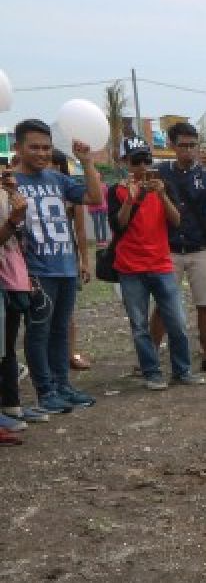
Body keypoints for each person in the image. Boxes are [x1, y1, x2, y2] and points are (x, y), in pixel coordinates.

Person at [13, 120, 104, 414]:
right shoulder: (11, 182)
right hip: (36, 270)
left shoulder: (57, 179)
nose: (41, 153)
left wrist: (87, 161)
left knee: (61, 330)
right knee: (38, 331)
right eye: (34, 147)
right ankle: (45, 391)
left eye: (46, 147)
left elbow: (94, 198)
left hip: (64, 266)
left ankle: (63, 385)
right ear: (19, 148)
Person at [108, 138, 204, 390]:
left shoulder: (164, 186)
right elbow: (118, 225)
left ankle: (182, 371)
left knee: (177, 322)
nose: (142, 167)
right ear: (124, 162)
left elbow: (176, 221)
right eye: (135, 161)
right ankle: (152, 373)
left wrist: (161, 195)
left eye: (146, 161)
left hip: (161, 264)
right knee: (139, 325)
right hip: (130, 267)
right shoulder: (116, 190)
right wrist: (131, 199)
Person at [151, 121, 206, 374]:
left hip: (200, 246)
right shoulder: (160, 172)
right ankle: (150, 357)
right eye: (182, 145)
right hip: (169, 247)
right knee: (163, 305)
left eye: (192, 145)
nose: (188, 150)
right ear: (172, 146)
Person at [0, 165, 37, 441]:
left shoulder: (10, 196)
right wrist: (13, 220)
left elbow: (24, 238)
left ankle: (11, 408)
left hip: (11, 279)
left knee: (6, 348)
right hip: (8, 278)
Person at [49, 150, 93, 374]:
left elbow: (81, 231)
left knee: (68, 313)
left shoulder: (69, 192)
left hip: (68, 256)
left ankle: (70, 353)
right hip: (44, 259)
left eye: (55, 164)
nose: (51, 168)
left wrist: (84, 261)